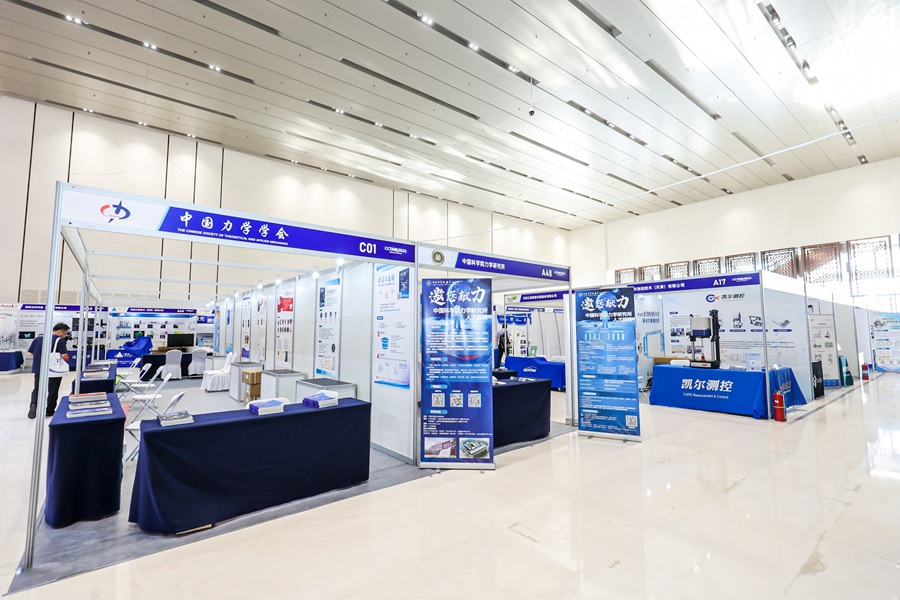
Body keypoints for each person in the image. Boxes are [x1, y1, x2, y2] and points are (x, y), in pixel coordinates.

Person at [27, 323, 70, 419]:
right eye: (65, 333)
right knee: (53, 390)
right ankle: (50, 410)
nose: (64, 335)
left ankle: (33, 405)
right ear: (59, 332)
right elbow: (64, 355)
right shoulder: (60, 341)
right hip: (53, 370)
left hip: (39, 368)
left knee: (37, 388)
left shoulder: (38, 339)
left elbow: (30, 353)